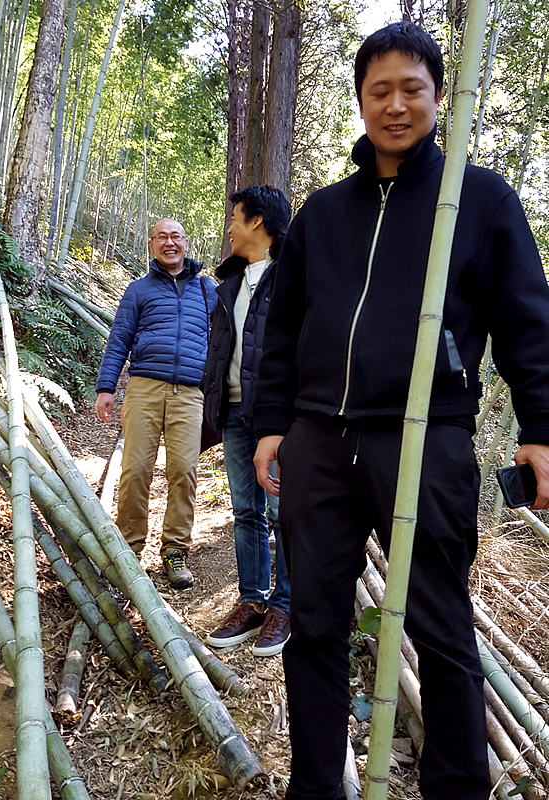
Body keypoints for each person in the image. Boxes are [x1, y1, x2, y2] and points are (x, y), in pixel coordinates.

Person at [252, 22, 549, 800]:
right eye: (378, 90)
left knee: (439, 626)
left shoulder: (479, 201)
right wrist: (272, 423)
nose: (394, 105)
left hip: (426, 441)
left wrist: (541, 430)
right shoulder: (322, 212)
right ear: (360, 99)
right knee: (313, 624)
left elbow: (528, 326)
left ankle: (455, 787)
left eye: (411, 89)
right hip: (319, 437)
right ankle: (317, 785)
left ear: (439, 97)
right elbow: (282, 328)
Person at [95, 217, 217, 589]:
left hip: (191, 393)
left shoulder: (208, 289)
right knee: (135, 470)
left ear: (185, 242)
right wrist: (106, 387)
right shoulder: (138, 290)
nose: (169, 242)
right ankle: (129, 547)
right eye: (161, 237)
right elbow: (119, 339)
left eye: (175, 236)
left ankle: (175, 549)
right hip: (145, 387)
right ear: (151, 245)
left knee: (184, 471)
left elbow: (222, 339)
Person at [202, 186, 292, 657]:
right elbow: (221, 350)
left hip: (276, 416)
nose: (230, 227)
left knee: (283, 512)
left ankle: (285, 604)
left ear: (257, 222)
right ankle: (252, 601)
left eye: (235, 218)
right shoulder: (229, 284)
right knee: (245, 511)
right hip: (234, 410)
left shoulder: (293, 276)